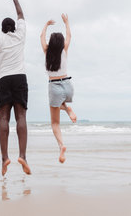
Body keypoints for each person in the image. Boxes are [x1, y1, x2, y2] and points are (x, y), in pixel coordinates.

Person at [0, 0, 31, 176]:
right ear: (13, 27)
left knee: (3, 119)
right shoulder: (20, 35)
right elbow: (20, 13)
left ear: (2, 29)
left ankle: (5, 158)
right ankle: (23, 156)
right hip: (19, 78)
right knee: (21, 117)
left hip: (3, 79)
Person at [40, 13, 77, 163]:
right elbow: (70, 35)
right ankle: (67, 107)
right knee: (59, 102)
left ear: (51, 42)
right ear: (61, 43)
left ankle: (61, 145)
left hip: (54, 86)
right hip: (68, 85)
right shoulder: (64, 50)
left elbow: (41, 36)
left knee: (55, 123)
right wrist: (66, 22)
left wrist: (46, 25)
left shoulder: (46, 51)